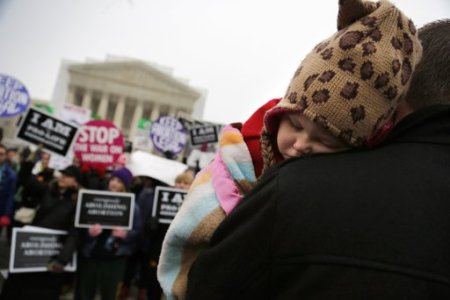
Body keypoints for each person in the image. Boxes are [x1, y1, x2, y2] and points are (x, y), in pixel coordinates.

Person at [158, 2, 423, 299]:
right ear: (280, 115)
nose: (300, 145)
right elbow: (187, 242)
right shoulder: (241, 159)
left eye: (326, 140)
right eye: (295, 125)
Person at [0, 165, 82, 300]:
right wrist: (32, 160)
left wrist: (62, 260)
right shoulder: (47, 189)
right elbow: (25, 179)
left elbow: (74, 233)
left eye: (67, 176)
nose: (62, 177)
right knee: (17, 288)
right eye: (62, 174)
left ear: (75, 182)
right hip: (31, 248)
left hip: (51, 253)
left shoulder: (76, 202)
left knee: (41, 291)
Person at [75, 167, 142, 300]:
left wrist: (125, 235)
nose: (114, 183)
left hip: (115, 259)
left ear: (125, 184)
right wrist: (89, 232)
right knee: (84, 293)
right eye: (112, 179)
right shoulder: (95, 199)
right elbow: (81, 226)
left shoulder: (133, 206)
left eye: (119, 180)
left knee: (110, 294)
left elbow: (138, 232)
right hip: (92, 254)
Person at [0, 144, 17, 239]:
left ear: (5, 156)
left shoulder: (11, 175)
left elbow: (11, 196)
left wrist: (6, 215)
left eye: (1, 154)